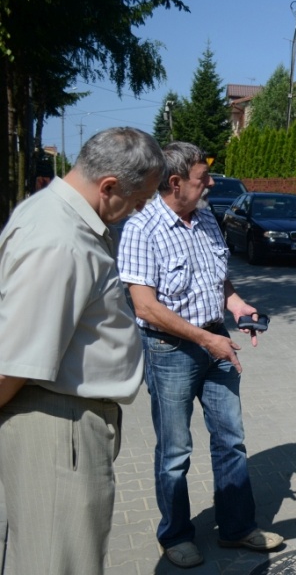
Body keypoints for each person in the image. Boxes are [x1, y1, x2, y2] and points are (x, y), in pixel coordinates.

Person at [0, 127, 166, 574]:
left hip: (61, 422)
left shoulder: (60, 217)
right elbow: (11, 363)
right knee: (59, 564)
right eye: (139, 199)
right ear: (108, 186)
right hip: (57, 428)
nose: (140, 210)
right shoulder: (61, 241)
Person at [118, 142, 283, 569]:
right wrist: (205, 340)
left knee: (231, 439)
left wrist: (238, 306)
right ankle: (175, 535)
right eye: (202, 177)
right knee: (175, 451)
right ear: (175, 183)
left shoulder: (206, 217)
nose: (210, 183)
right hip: (170, 350)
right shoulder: (141, 227)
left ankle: (236, 528)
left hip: (217, 341)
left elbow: (218, 278)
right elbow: (145, 307)